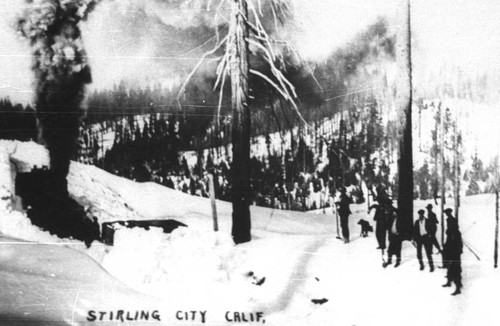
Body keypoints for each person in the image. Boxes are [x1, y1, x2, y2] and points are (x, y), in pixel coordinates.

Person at [442, 212, 463, 295]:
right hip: (450, 253)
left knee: (456, 270)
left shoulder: (456, 234)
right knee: (450, 268)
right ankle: (449, 281)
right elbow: (448, 244)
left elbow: (458, 246)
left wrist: (456, 253)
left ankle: (458, 287)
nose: (448, 225)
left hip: (455, 254)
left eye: (449, 224)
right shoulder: (450, 234)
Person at [384, 202, 402, 268]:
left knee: (398, 249)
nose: (394, 215)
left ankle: (398, 261)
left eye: (395, 214)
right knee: (390, 249)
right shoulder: (390, 219)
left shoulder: (400, 220)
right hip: (392, 236)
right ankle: (389, 260)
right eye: (393, 214)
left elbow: (402, 228)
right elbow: (387, 226)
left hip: (397, 236)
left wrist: (399, 232)